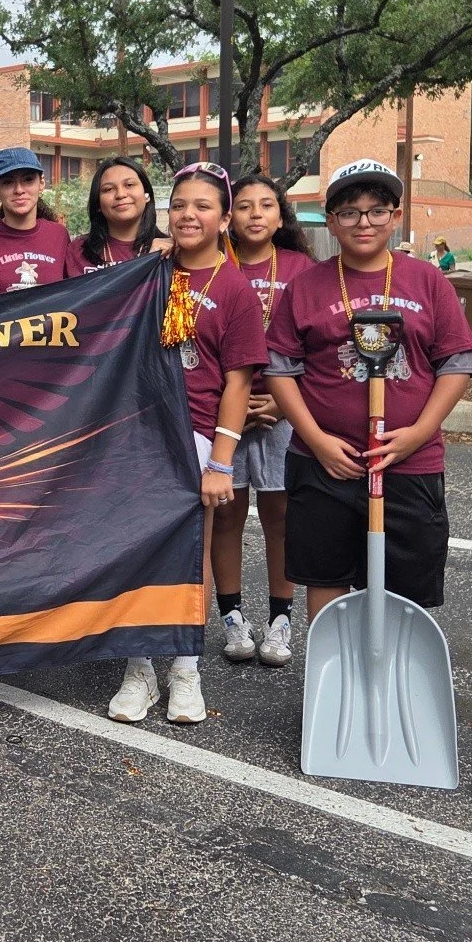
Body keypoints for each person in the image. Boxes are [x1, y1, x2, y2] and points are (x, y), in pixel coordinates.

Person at [265, 159, 472, 624]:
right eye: (350, 212)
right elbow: (280, 370)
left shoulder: (427, 280)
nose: (364, 222)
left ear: (395, 216)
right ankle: (336, 685)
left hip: (408, 462)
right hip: (324, 464)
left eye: (376, 210)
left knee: (405, 585)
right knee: (326, 578)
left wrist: (419, 433)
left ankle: (393, 686)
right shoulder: (306, 286)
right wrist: (317, 441)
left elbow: (457, 363)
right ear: (331, 220)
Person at [110, 164, 264, 726]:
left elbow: (239, 383)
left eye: (202, 206)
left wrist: (221, 461)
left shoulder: (235, 289)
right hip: (136, 436)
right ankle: (137, 669)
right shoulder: (147, 275)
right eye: (179, 205)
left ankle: (184, 668)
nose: (188, 216)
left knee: (186, 559)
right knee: (131, 551)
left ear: (225, 218)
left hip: (196, 438)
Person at [210, 174, 316, 666]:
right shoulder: (211, 264)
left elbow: (320, 344)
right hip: (223, 406)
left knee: (282, 517)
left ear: (280, 216)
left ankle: (281, 620)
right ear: (228, 217)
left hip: (284, 409)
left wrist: (282, 401)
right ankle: (231, 617)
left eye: (266, 205)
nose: (256, 214)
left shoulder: (302, 268)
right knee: (226, 514)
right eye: (245, 205)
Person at [0, 146, 82, 291]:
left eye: (28, 180)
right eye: (8, 182)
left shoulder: (59, 235)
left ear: (41, 184)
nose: (19, 190)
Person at [75, 156, 166, 270]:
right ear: (97, 203)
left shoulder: (168, 251)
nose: (120, 194)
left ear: (146, 195)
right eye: (108, 189)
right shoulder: (77, 251)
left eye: (129, 185)